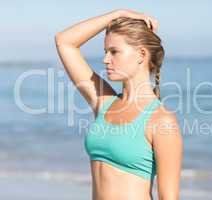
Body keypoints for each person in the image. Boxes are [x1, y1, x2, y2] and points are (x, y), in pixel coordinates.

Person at [55, 9, 183, 200]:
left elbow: (169, 197)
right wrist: (116, 14)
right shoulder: (104, 102)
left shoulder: (161, 120)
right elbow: (65, 42)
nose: (105, 59)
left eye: (114, 51)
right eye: (105, 51)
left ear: (141, 54)